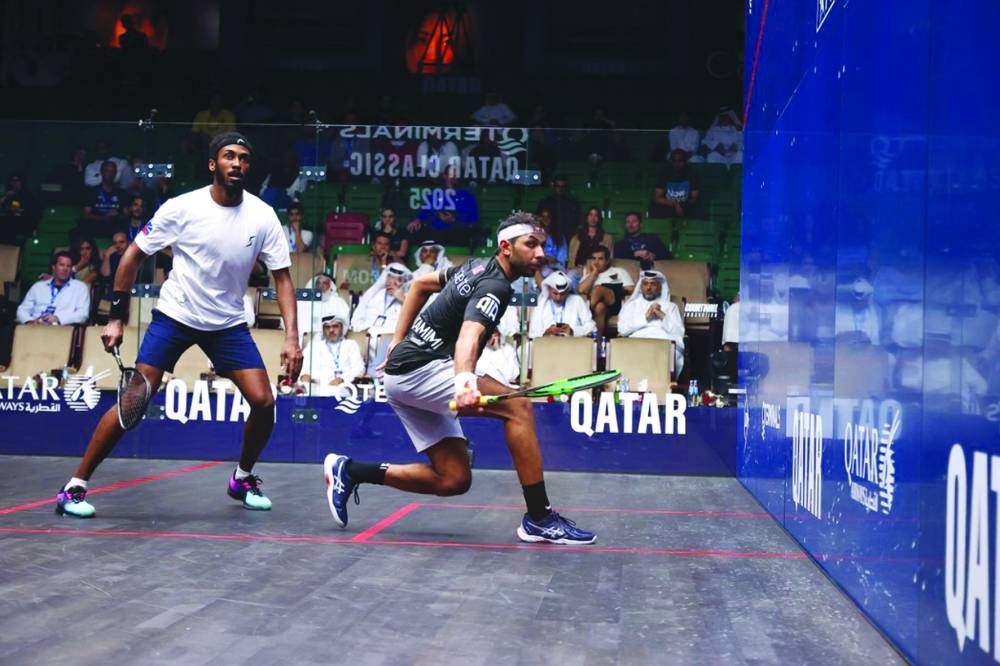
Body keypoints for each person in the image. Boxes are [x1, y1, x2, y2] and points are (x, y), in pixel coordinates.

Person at [54, 132, 304, 519]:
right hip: (176, 317)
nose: (237, 164)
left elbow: (283, 278)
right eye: (228, 157)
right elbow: (132, 257)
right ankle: (75, 486)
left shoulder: (262, 216)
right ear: (212, 164)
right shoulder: (181, 208)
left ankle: (242, 477)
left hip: (227, 324)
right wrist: (115, 317)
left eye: (243, 158)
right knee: (133, 401)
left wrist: (292, 338)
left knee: (264, 402)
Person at [323, 212, 596, 544]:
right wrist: (465, 382)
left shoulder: (475, 267)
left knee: (454, 479)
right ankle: (539, 517)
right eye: (531, 244)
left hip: (406, 375)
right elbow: (469, 336)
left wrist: (397, 340)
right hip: (420, 372)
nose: (540, 253)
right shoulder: (495, 286)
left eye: (542, 245)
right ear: (507, 247)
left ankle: (349, 471)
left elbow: (421, 284)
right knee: (519, 407)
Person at [617, 270, 686, 376]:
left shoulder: (671, 307)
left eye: (653, 284)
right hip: (638, 342)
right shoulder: (631, 305)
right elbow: (622, 330)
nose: (648, 288)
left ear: (659, 287)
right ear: (641, 287)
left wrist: (662, 316)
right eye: (645, 284)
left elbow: (679, 332)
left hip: (664, 343)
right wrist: (645, 318)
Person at [350, 262, 412, 374]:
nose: (391, 281)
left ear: (403, 282)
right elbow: (357, 318)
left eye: (398, 279)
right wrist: (361, 328)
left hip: (391, 339)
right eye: (389, 276)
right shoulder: (374, 294)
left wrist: (403, 299)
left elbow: (415, 322)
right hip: (369, 334)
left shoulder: (408, 298)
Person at [16, 251, 91, 326]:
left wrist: (58, 318)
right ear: (54, 267)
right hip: (34, 327)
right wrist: (29, 321)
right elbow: (22, 309)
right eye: (61, 265)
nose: (65, 269)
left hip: (62, 329)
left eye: (68, 266)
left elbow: (83, 314)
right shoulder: (38, 286)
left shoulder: (80, 288)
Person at [577, 245, 634, 337]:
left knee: (598, 288)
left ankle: (584, 313)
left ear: (607, 260)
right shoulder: (589, 275)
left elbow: (631, 288)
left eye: (600, 259)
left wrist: (612, 288)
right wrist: (594, 273)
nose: (596, 262)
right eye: (594, 259)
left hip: (614, 301)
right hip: (600, 306)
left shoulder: (619, 271)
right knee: (600, 307)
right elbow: (581, 289)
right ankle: (596, 342)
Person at [300, 314, 365, 396]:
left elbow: (359, 368)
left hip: (343, 388)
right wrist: (304, 376)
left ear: (342, 328)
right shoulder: (313, 346)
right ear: (323, 330)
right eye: (327, 327)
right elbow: (304, 368)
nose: (331, 330)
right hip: (316, 388)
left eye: (335, 326)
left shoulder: (351, 345)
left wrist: (342, 379)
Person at [528, 270, 596, 338]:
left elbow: (592, 327)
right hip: (547, 345)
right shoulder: (541, 304)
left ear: (567, 291)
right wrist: (546, 333)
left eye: (562, 294)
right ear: (549, 289)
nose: (558, 298)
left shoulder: (577, 301)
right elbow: (532, 333)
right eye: (555, 293)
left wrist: (573, 331)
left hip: (572, 345)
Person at [649, 149, 702, 219]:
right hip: (669, 206)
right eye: (674, 160)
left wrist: (682, 205)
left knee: (697, 210)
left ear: (685, 161)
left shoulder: (692, 174)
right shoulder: (664, 174)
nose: (677, 164)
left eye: (680, 160)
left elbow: (694, 198)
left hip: (686, 206)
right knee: (654, 210)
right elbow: (657, 197)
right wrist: (675, 204)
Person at [568, 206, 615, 271]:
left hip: (598, 271)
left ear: (599, 218)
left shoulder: (607, 238)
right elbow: (570, 260)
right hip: (578, 270)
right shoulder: (575, 238)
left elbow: (609, 259)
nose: (593, 218)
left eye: (596, 215)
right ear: (586, 217)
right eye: (590, 215)